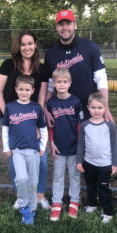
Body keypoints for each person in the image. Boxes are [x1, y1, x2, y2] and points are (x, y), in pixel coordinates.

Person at [0, 29, 50, 210]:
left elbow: (41, 98)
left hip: (32, 120)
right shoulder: (8, 65)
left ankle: (40, 196)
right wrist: (9, 118)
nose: (27, 47)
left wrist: (35, 123)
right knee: (14, 158)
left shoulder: (41, 69)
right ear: (18, 47)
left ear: (35, 45)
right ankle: (21, 196)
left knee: (40, 158)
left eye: (30, 43)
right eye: (23, 44)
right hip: (13, 120)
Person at [44, 9, 113, 125]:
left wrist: (105, 106)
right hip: (63, 110)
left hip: (89, 108)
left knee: (90, 142)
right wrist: (46, 109)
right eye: (61, 24)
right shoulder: (51, 54)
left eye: (68, 24)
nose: (64, 28)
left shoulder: (90, 47)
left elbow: (101, 78)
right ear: (56, 27)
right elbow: (50, 85)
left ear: (75, 25)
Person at [2, 75, 48, 224]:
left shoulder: (36, 108)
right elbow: (5, 129)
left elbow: (43, 128)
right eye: (21, 89)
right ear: (16, 89)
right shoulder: (10, 107)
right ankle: (23, 207)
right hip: (17, 151)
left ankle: (32, 209)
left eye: (27, 90)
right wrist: (6, 147)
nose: (23, 92)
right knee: (21, 179)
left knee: (33, 180)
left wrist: (42, 147)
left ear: (32, 91)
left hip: (34, 150)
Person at [47, 68, 84, 221]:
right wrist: (52, 143)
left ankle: (74, 201)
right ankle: (57, 203)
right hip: (59, 147)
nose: (62, 84)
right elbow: (50, 126)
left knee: (74, 175)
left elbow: (80, 126)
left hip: (74, 147)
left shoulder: (75, 102)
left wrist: (80, 146)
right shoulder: (51, 103)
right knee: (58, 176)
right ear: (54, 84)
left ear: (69, 83)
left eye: (65, 81)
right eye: (58, 82)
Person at [77, 93, 117, 223]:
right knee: (91, 186)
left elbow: (114, 144)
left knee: (104, 189)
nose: (96, 111)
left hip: (105, 164)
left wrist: (114, 164)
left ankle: (107, 211)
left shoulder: (109, 125)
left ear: (105, 108)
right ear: (88, 107)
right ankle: (92, 204)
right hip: (89, 163)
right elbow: (81, 144)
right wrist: (79, 161)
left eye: (100, 108)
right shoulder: (85, 125)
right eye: (93, 107)